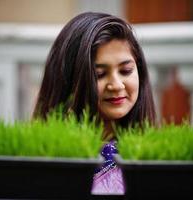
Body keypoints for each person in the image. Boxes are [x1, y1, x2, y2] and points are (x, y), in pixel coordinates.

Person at [33, 12, 156, 194]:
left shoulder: (156, 155)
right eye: (99, 74)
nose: (116, 85)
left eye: (126, 70)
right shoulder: (44, 158)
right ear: (68, 81)